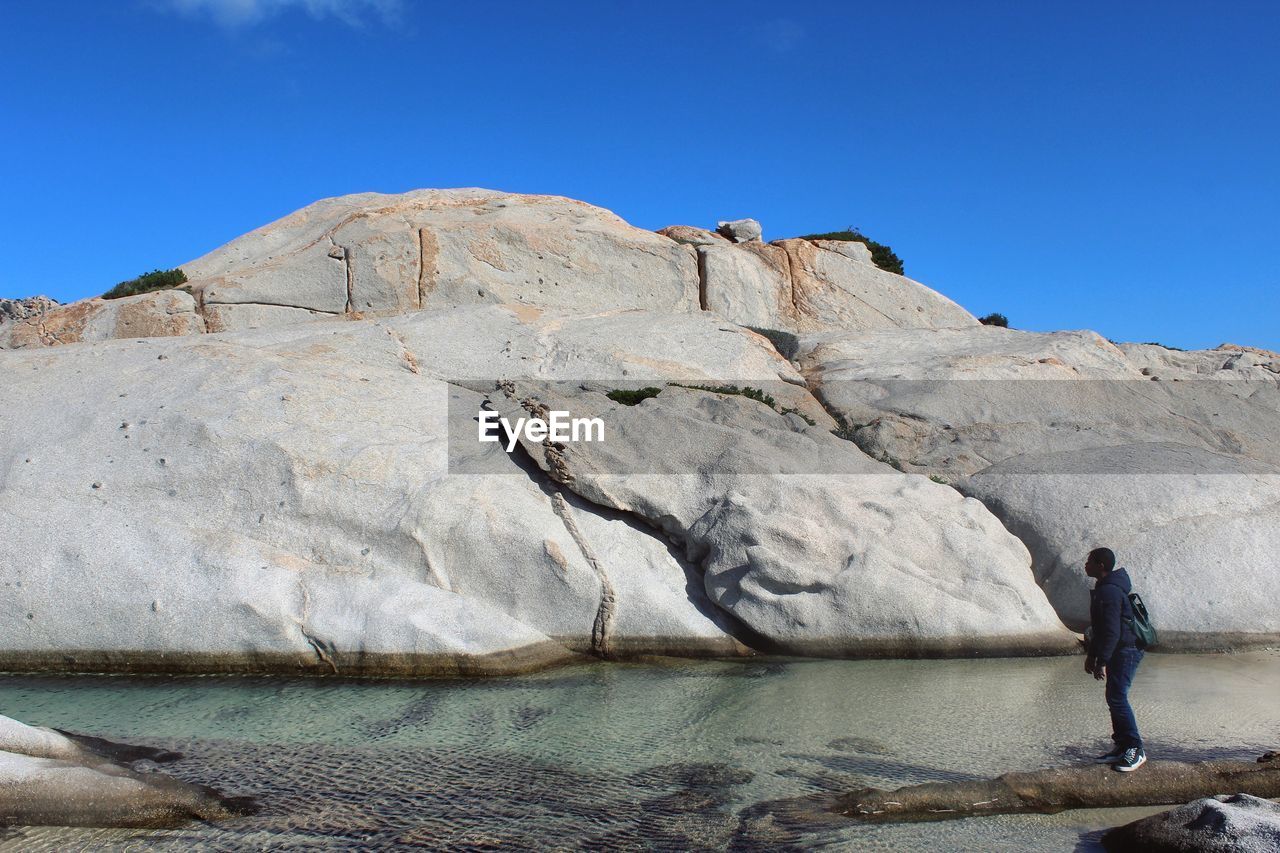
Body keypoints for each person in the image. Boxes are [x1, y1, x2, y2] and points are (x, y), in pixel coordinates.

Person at [1084, 546, 1146, 771]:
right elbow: (1100, 629)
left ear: (1101, 565)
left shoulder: (1109, 592)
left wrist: (1102, 662)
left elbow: (1112, 632)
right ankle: (1122, 746)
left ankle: (1135, 750)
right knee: (1114, 697)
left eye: (1090, 561)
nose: (1086, 565)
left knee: (1118, 697)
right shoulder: (1105, 588)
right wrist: (1092, 655)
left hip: (1127, 649)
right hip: (1120, 648)